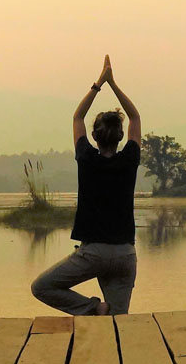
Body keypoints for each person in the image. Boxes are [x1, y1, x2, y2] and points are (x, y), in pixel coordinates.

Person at [30, 54, 140, 316]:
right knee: (118, 324)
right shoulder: (129, 159)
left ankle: (92, 309)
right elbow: (135, 117)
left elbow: (78, 116)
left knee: (42, 287)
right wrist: (113, 83)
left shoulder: (87, 158)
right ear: (121, 137)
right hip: (126, 255)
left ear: (94, 137)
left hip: (93, 254)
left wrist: (99, 83)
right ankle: (105, 324)